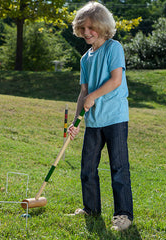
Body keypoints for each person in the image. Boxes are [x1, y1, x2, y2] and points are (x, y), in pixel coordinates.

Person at [68, 1, 133, 231]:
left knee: (118, 168)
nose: (86, 33)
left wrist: (93, 95)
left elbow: (116, 80)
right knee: (87, 168)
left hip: (115, 118)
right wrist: (75, 121)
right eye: (82, 28)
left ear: (102, 26)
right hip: (94, 121)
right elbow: (83, 93)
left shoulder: (113, 48)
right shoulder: (85, 58)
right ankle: (91, 208)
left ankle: (123, 214)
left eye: (91, 28)